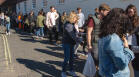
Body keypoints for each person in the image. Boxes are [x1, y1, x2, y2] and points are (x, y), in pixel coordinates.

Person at [98, 8, 134, 77]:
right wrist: (127, 49)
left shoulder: (104, 35)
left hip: (105, 73)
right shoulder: (113, 38)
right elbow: (121, 64)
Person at [87, 3, 110, 72]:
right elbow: (88, 33)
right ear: (102, 11)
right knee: (96, 59)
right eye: (107, 11)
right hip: (95, 43)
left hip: (104, 42)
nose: (108, 13)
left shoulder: (106, 19)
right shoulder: (92, 19)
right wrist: (89, 45)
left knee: (103, 60)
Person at [61, 11, 82, 77]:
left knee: (71, 58)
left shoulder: (71, 24)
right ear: (73, 18)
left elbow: (75, 33)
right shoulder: (68, 25)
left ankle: (71, 71)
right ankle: (63, 72)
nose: (77, 20)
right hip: (67, 43)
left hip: (71, 43)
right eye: (76, 18)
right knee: (67, 58)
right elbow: (73, 35)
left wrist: (82, 33)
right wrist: (80, 41)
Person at [126, 4, 139, 74]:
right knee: (126, 61)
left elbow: (136, 30)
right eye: (128, 12)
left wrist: (131, 32)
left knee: (135, 62)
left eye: (131, 12)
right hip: (126, 44)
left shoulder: (137, 19)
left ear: (134, 12)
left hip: (135, 44)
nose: (129, 13)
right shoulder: (125, 20)